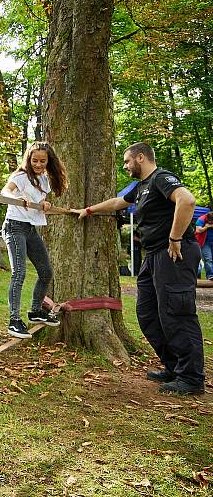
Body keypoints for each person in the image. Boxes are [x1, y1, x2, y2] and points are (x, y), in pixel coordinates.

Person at [72, 142, 205, 395]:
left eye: (127, 161)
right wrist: (88, 210)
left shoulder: (161, 178)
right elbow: (117, 202)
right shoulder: (142, 186)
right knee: (147, 314)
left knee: (176, 313)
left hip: (174, 254)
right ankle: (175, 367)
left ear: (140, 158)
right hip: (153, 256)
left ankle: (191, 377)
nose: (125, 166)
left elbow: (187, 201)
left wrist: (175, 238)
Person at [0, 141, 68, 339]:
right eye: (34, 160)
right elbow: (5, 191)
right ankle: (14, 320)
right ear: (28, 159)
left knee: (46, 272)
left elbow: (38, 202)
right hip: (14, 226)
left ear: (48, 162)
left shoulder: (44, 180)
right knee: (19, 272)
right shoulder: (21, 176)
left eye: (42, 161)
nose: (38, 164)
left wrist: (44, 203)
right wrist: (18, 196)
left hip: (30, 229)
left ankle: (35, 311)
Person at [194, 209, 213, 280]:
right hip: (204, 243)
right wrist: (206, 227)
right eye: (210, 222)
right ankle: (210, 275)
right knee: (208, 259)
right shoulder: (201, 219)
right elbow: (198, 230)